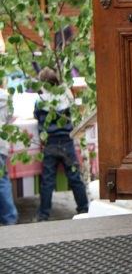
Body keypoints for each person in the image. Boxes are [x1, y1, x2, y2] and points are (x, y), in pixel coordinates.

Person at [33, 67, 88, 221]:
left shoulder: (40, 100)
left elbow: (36, 116)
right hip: (66, 142)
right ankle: (84, 208)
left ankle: (44, 213)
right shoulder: (66, 96)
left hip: (50, 143)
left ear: (43, 84)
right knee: (74, 177)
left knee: (48, 180)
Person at [0, 82, 19, 225]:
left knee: (2, 181)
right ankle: (9, 217)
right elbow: (9, 119)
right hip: (2, 142)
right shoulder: (6, 97)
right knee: (2, 180)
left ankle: (9, 217)